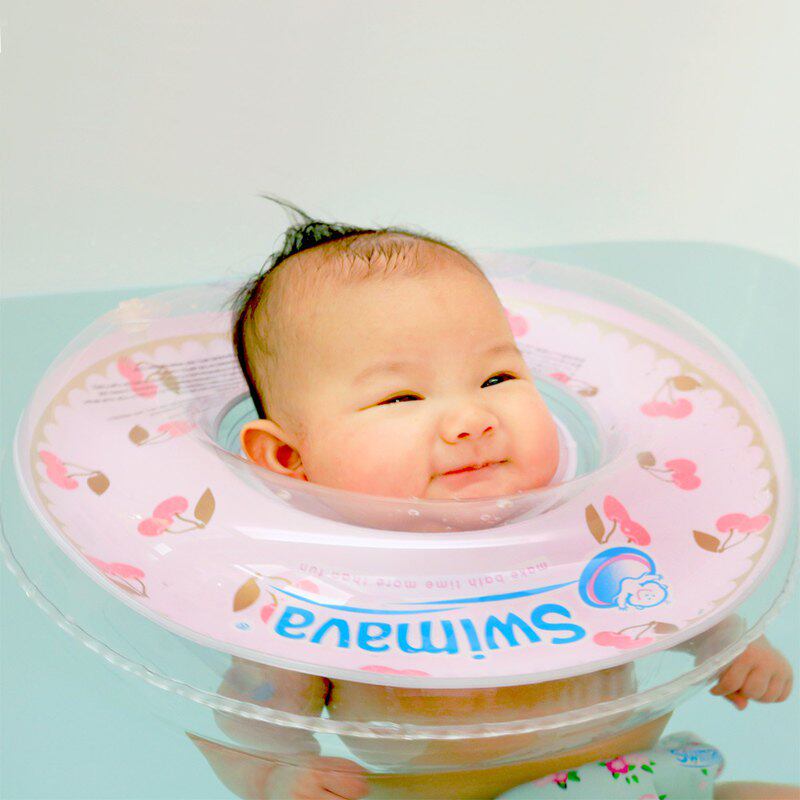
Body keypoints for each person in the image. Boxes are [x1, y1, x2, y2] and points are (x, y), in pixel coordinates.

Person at [192, 200, 794, 800]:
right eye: (401, 398)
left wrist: (727, 645)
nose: (472, 418)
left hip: (636, 782)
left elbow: (668, 597)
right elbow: (245, 724)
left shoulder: (590, 528)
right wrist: (280, 775)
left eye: (496, 379)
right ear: (288, 459)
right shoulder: (314, 591)